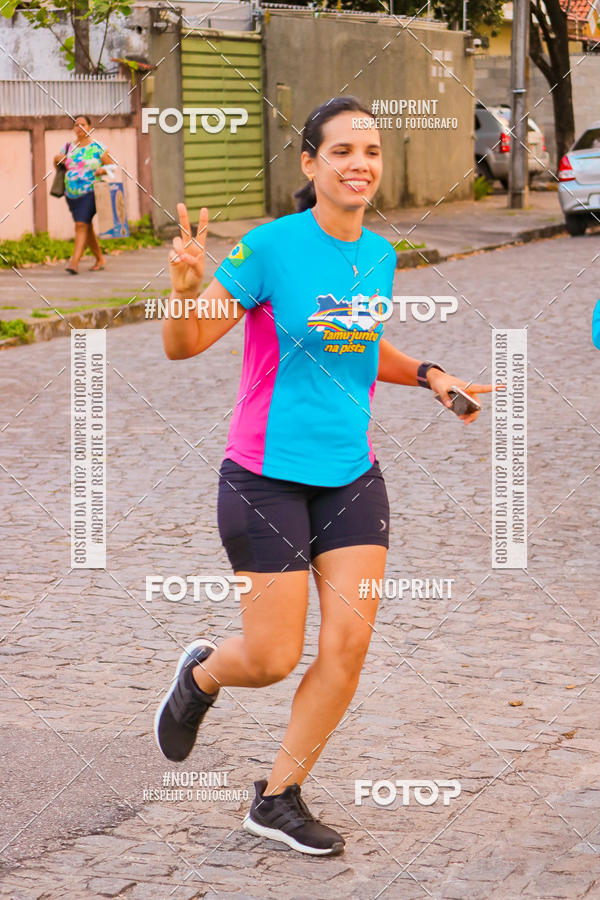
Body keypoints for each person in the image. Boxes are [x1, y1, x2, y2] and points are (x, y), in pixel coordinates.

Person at [154, 96, 495, 856]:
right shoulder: (269, 248)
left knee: (347, 646)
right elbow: (184, 345)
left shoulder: (378, 254)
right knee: (272, 659)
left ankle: (276, 798)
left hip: (351, 476)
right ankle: (203, 677)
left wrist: (432, 374)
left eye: (370, 150)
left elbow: (361, 342)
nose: (359, 164)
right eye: (342, 151)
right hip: (264, 478)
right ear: (311, 164)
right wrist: (181, 290)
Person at [53, 115, 115, 274]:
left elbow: (112, 166)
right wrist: (56, 159)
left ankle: (74, 262)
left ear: (89, 127)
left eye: (83, 124)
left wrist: (103, 170)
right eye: (76, 125)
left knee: (80, 225)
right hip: (71, 193)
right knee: (86, 227)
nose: (79, 128)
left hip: (91, 191)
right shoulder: (68, 147)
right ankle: (100, 259)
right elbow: (59, 166)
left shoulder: (97, 147)